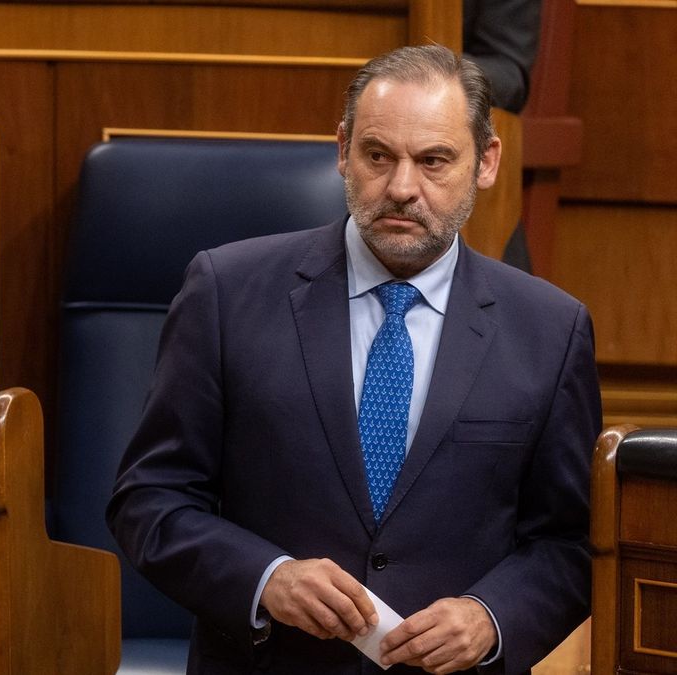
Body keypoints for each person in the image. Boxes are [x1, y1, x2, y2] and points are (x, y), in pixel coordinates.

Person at [107, 45, 599, 675]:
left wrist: (492, 617)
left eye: (434, 161)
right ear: (342, 150)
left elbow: (573, 541)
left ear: (487, 161)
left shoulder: (551, 330)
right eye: (377, 156)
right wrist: (267, 579)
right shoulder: (226, 291)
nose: (401, 188)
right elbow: (149, 500)